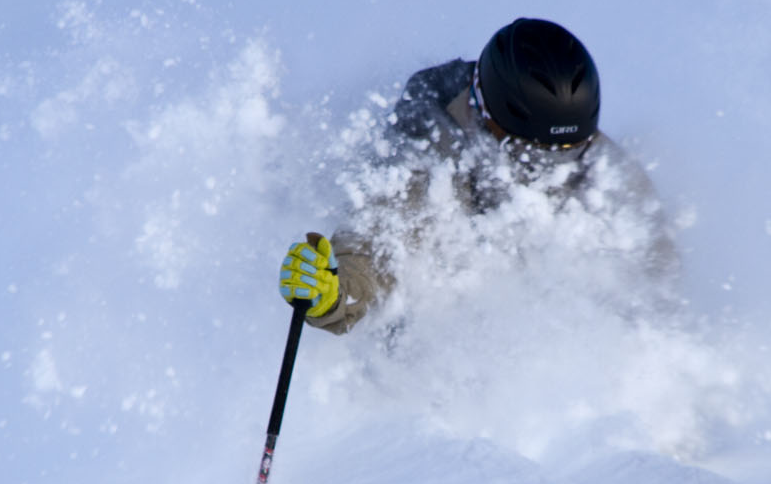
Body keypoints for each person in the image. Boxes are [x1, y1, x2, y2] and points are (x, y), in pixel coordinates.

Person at [277, 17, 675, 336]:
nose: (550, 169)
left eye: (569, 152)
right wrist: (336, 293)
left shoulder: (593, 161)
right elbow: (377, 244)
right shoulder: (428, 146)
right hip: (431, 338)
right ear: (486, 114)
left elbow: (654, 281)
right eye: (531, 153)